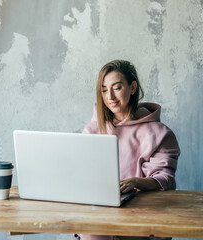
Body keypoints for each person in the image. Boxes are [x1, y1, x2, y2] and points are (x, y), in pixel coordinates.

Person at [79, 60, 180, 240]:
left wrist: (136, 182)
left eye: (116, 87)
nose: (109, 96)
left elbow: (165, 179)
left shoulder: (158, 133)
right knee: (91, 230)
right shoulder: (92, 130)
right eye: (103, 89)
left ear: (132, 87)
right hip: (99, 214)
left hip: (142, 216)